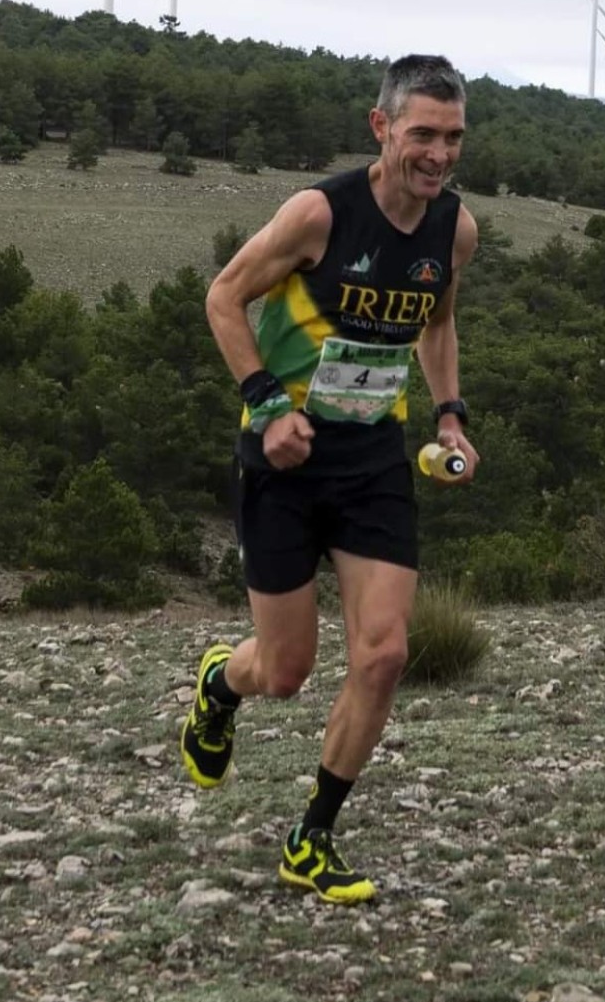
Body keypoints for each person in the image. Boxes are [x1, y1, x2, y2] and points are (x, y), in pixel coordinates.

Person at [182, 54, 480, 905]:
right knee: (283, 670)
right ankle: (217, 684)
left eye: (453, 137)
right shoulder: (318, 215)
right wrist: (267, 405)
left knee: (384, 653)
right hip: (284, 458)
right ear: (382, 128)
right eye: (423, 133)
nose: (439, 154)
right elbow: (223, 298)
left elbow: (439, 322)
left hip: (373, 460)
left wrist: (450, 413)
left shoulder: (454, 231)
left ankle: (312, 836)